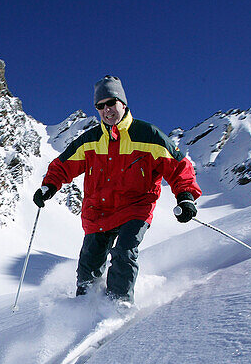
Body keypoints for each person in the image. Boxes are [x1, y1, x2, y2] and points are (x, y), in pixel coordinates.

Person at [33, 75, 201, 305]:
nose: (106, 110)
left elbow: (178, 165)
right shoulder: (90, 141)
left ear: (123, 103)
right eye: (100, 106)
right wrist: (48, 186)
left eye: (110, 103)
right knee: (88, 265)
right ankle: (84, 311)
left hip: (135, 207)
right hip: (98, 210)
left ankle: (117, 307)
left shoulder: (147, 135)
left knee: (124, 253)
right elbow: (63, 165)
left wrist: (185, 197)